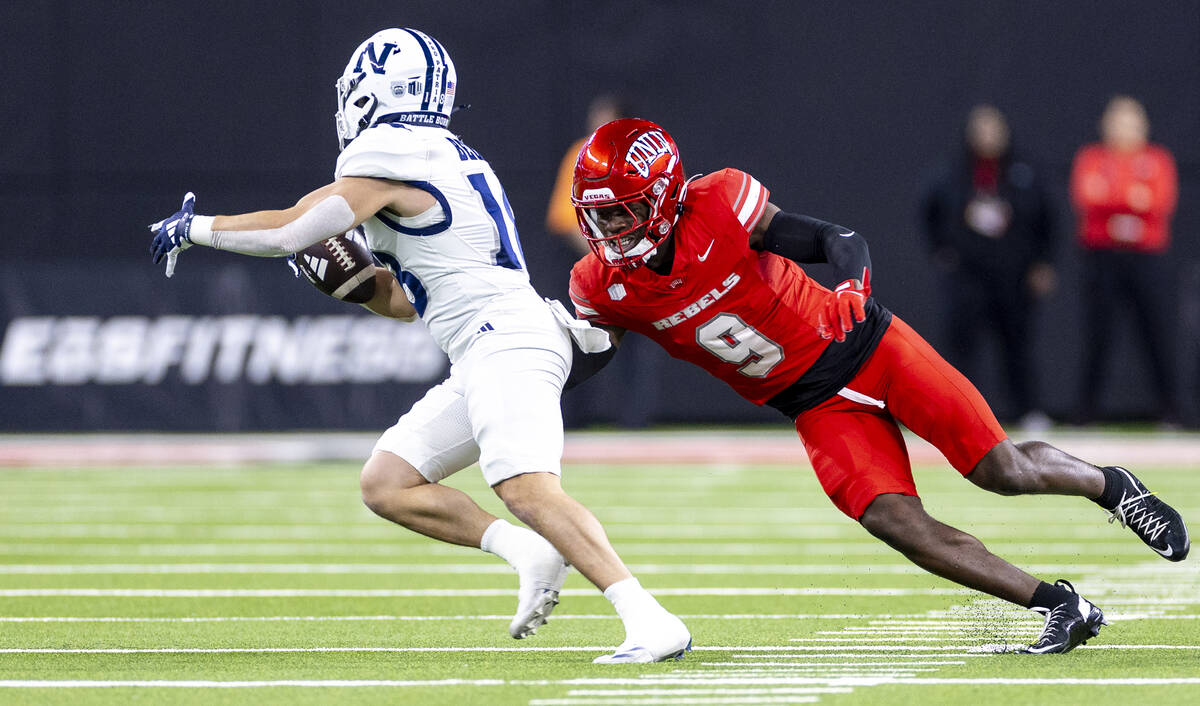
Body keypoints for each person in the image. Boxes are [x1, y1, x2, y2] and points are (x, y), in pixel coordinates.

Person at [147, 29, 690, 664]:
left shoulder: (394, 148)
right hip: (489, 343)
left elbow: (294, 227)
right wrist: (353, 284)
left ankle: (649, 620)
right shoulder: (436, 153)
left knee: (525, 487)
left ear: (373, 90)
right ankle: (527, 551)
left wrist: (196, 229)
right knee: (388, 483)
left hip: (504, 340)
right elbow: (404, 303)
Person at [565, 118, 1191, 654]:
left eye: (622, 210)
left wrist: (849, 288)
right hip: (809, 403)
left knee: (1000, 471)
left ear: (666, 194)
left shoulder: (718, 203)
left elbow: (837, 239)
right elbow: (591, 355)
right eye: (599, 216)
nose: (611, 229)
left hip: (868, 347)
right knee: (895, 521)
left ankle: (1114, 488)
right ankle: (1060, 606)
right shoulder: (600, 283)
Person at [921, 104, 1056, 429]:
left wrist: (1042, 263)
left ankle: (1028, 410)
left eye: (994, 130)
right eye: (981, 130)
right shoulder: (952, 172)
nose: (988, 137)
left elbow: (1047, 219)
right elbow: (929, 213)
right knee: (962, 346)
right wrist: (942, 251)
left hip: (1012, 274)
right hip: (968, 274)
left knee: (1016, 344)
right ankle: (958, 410)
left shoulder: (1023, 171)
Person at [1070, 96, 1180, 425]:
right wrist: (1132, 196)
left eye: (1131, 122)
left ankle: (1171, 411)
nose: (1124, 129)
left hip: (1146, 258)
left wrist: (1115, 197)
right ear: (1105, 125)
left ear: (1144, 127)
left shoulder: (1157, 159)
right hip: (1102, 258)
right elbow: (1088, 197)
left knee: (1156, 334)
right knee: (1097, 335)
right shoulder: (1092, 157)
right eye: (1117, 121)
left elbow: (1158, 202)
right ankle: (1084, 414)